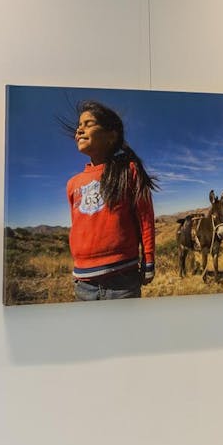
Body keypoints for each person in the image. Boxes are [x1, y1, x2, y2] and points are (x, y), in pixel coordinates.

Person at [65, 100, 157, 300]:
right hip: (84, 284)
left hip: (122, 280)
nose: (79, 130)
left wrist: (148, 259)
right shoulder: (72, 184)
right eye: (78, 126)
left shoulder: (128, 171)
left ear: (110, 136)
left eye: (88, 124)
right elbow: (78, 225)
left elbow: (145, 218)